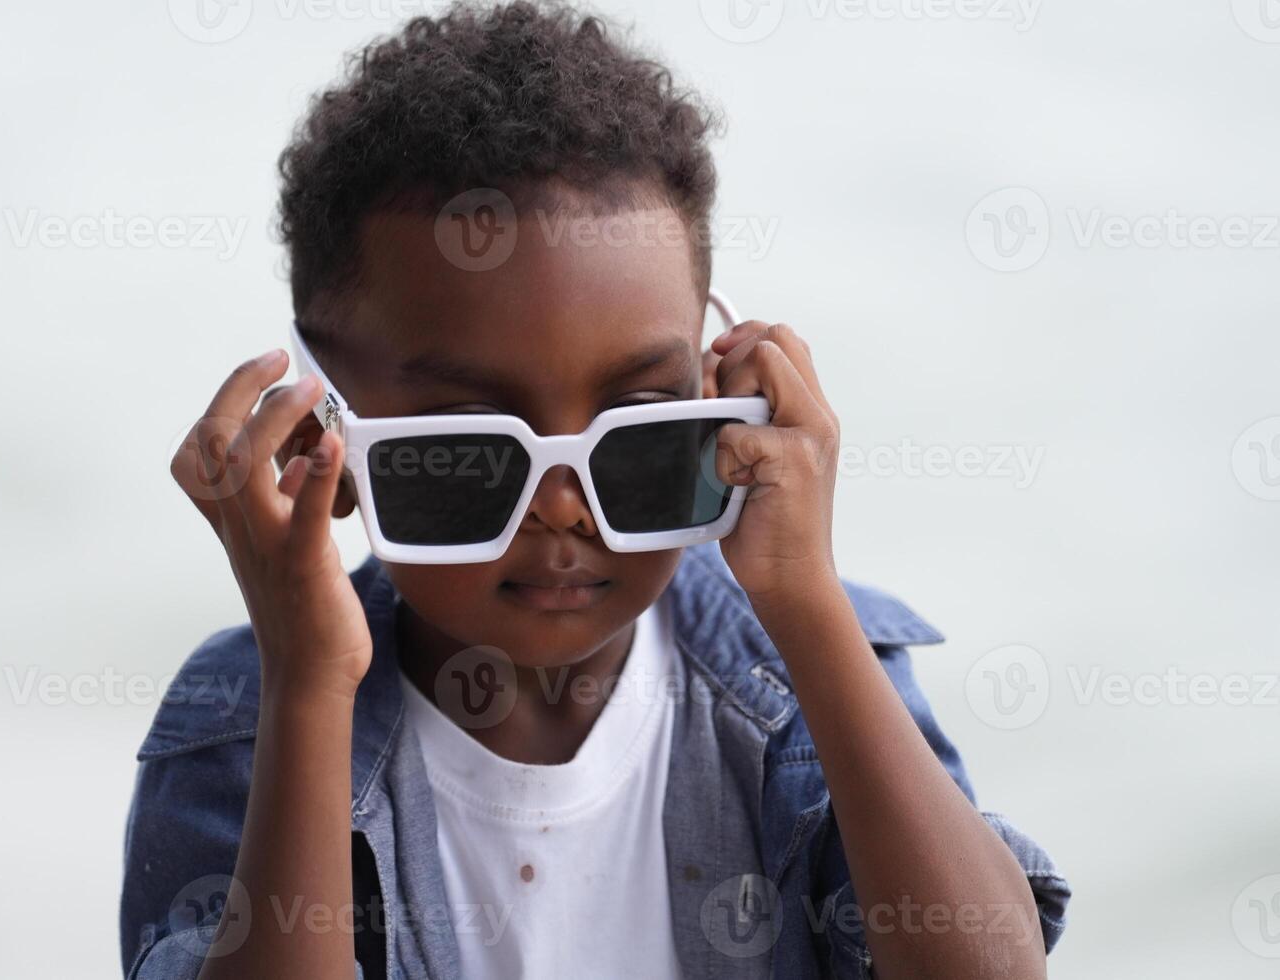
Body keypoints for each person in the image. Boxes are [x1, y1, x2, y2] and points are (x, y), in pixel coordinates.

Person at [122, 4, 1070, 977]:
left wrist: (805, 598)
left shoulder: (805, 683)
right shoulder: (245, 720)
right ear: (327, 429)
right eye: (476, 444)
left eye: (638, 424)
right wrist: (309, 683)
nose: (566, 505)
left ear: (718, 396)